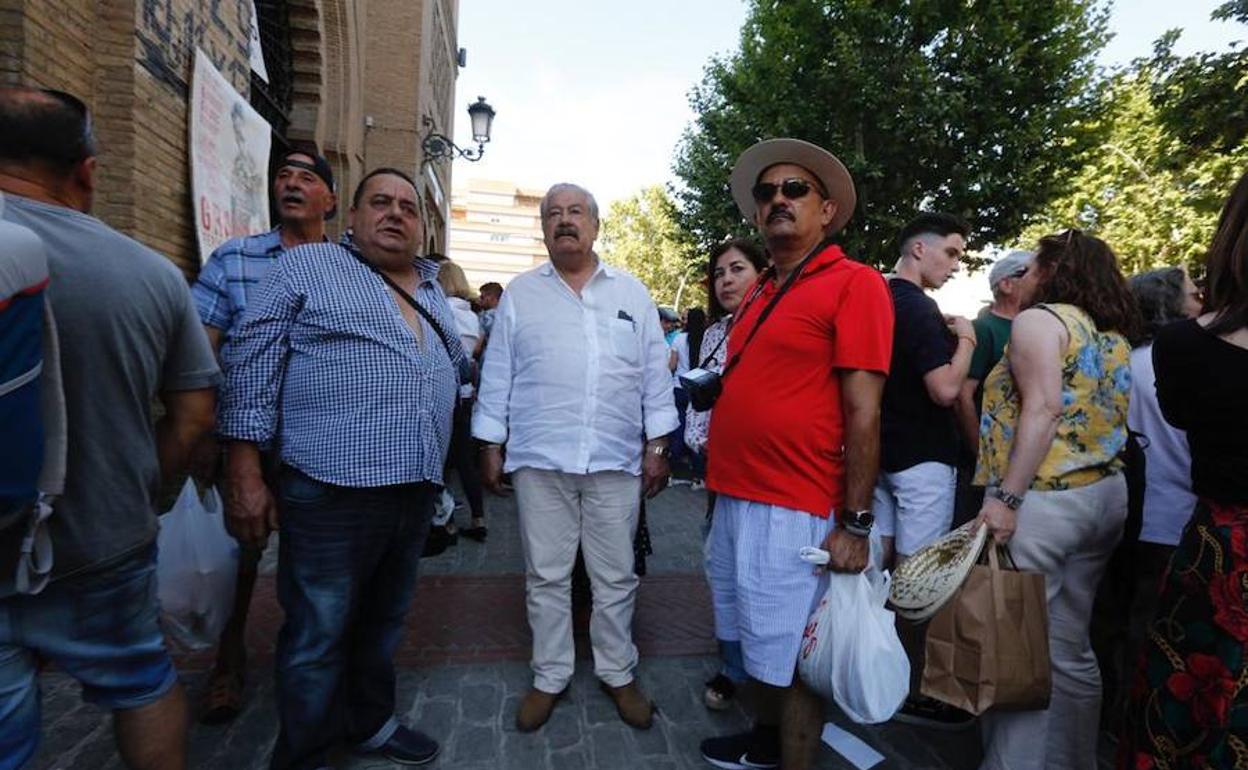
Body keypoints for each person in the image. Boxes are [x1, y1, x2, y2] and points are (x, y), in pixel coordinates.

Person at [218, 167, 468, 769]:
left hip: (412, 489)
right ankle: (307, 752)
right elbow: (250, 368)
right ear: (351, 217)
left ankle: (369, 721)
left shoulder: (432, 289)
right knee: (317, 634)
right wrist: (244, 472)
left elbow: (457, 370)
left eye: (409, 207)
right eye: (380, 202)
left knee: (384, 621)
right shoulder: (305, 268)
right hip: (328, 488)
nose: (396, 214)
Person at [0, 87, 220, 770]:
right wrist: (143, 489)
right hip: (102, 536)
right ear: (88, 170)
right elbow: (192, 416)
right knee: (140, 683)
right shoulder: (151, 274)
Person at [700, 138, 894, 770]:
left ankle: (794, 761)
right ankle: (764, 745)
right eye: (767, 193)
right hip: (735, 496)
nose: (777, 199)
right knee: (758, 645)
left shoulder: (855, 284)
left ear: (828, 209)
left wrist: (856, 524)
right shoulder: (759, 291)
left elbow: (865, 412)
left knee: (799, 657)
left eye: (794, 190)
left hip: (795, 505)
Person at [473, 182, 678, 734]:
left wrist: (658, 445)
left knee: (615, 578)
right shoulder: (521, 293)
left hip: (615, 463)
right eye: (554, 214)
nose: (565, 221)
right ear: (544, 227)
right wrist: (490, 442)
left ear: (595, 224)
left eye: (576, 212)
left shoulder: (631, 293)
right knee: (546, 576)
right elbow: (498, 375)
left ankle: (617, 671)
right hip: (541, 460)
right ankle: (550, 675)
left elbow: (654, 377)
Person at [974, 229, 1138, 770]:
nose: (1026, 277)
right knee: (1069, 646)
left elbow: (1041, 410)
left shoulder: (1039, 322)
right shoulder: (1111, 335)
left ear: (1052, 269)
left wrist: (1005, 499)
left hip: (1042, 502)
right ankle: (1072, 760)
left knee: (1016, 655)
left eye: (1033, 267)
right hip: (1104, 498)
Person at [191, 148, 338, 724]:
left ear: (330, 198)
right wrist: (205, 431)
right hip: (248, 441)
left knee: (320, 567)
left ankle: (311, 670)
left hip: (325, 443)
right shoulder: (236, 259)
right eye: (284, 176)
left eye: (307, 178)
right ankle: (227, 662)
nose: (292, 185)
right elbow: (202, 353)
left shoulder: (351, 266)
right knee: (240, 558)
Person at [1119, 170, 1248, 769]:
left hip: (1218, 552)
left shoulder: (1183, 347)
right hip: (1218, 554)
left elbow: (1182, 417)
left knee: (1196, 724)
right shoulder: (1180, 347)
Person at [873, 211, 976, 727]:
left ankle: (876, 671)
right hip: (922, 461)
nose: (956, 264)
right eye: (953, 252)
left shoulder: (874, 296)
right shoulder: (917, 307)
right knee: (919, 584)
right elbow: (944, 389)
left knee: (884, 572)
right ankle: (909, 689)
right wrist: (968, 342)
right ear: (919, 249)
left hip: (881, 455)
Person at [1093, 266, 1202, 731]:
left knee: (1110, 620)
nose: (1201, 300)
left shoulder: (1120, 361)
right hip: (1176, 517)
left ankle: (1105, 716)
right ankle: (1138, 724)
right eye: (1193, 293)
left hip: (1118, 509)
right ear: (1169, 302)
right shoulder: (1192, 362)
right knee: (1154, 628)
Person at [682, 237, 768, 712]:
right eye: (719, 273)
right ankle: (733, 666)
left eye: (737, 269)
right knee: (724, 569)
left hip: (769, 473)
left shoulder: (780, 324)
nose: (727, 280)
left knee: (764, 574)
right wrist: (701, 444)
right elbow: (701, 397)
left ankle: (772, 669)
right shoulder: (715, 332)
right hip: (719, 472)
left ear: (762, 273)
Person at [952, 249, 1034, 526]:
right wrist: (980, 452)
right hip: (986, 467)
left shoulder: (1037, 326)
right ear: (1006, 284)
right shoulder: (985, 328)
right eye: (1029, 272)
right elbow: (962, 396)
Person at [437, 259, 487, 540]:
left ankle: (448, 522)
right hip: (466, 395)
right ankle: (479, 518)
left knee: (442, 463)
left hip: (446, 393)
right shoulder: (472, 315)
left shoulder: (441, 310)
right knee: (466, 462)